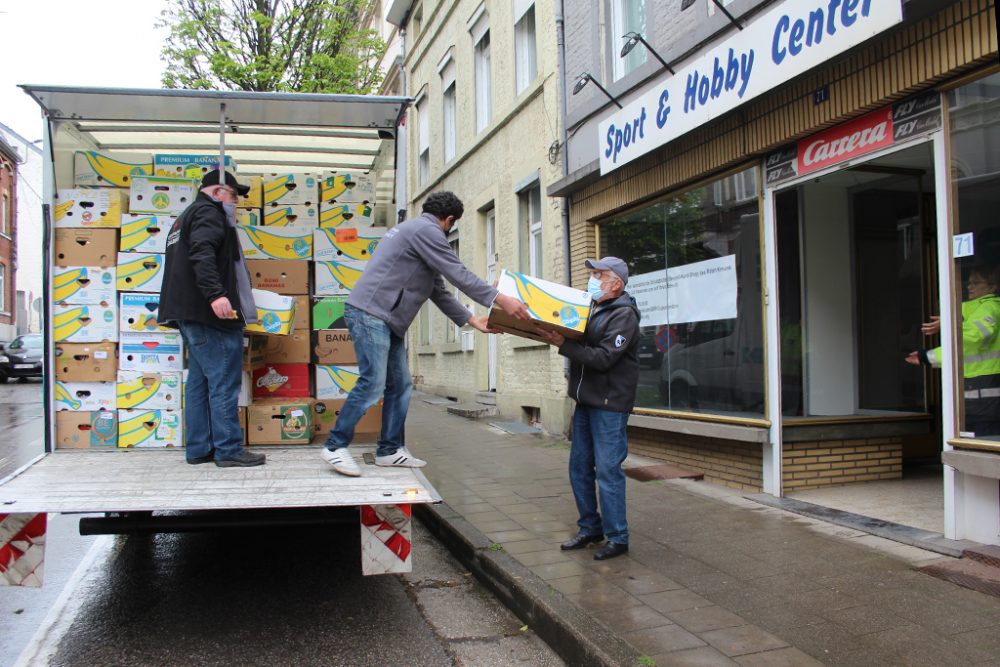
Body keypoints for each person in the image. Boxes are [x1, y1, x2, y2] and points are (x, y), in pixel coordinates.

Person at [321, 191, 530, 476]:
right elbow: (459, 273)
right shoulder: (427, 231)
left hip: (385, 318)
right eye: (451, 226)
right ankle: (335, 446)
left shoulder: (415, 231)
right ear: (450, 220)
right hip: (371, 313)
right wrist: (501, 299)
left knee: (401, 385)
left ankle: (389, 450)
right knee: (373, 382)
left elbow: (438, 290)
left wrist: (471, 320)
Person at [159, 169, 266, 467]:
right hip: (208, 313)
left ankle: (199, 448)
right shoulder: (209, 214)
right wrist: (216, 294)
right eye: (233, 195)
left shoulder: (185, 217)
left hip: (187, 311)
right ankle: (228, 450)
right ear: (218, 192)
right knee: (223, 381)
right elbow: (202, 253)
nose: (236, 203)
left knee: (199, 381)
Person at [536, 257, 640, 561]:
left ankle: (618, 536)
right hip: (585, 402)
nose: (593, 280)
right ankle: (590, 528)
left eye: (599, 274)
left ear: (616, 283)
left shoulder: (624, 315)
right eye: (592, 274)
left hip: (609, 405)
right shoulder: (595, 309)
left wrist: (562, 344)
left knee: (608, 471)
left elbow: (604, 357)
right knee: (579, 468)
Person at [907, 264, 1000, 437]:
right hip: (981, 398)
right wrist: (927, 356)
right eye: (969, 282)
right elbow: (964, 348)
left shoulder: (989, 307)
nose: (969, 286)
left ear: (992, 287)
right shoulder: (973, 311)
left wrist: (951, 324)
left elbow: (977, 335)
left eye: (976, 282)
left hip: (986, 398)